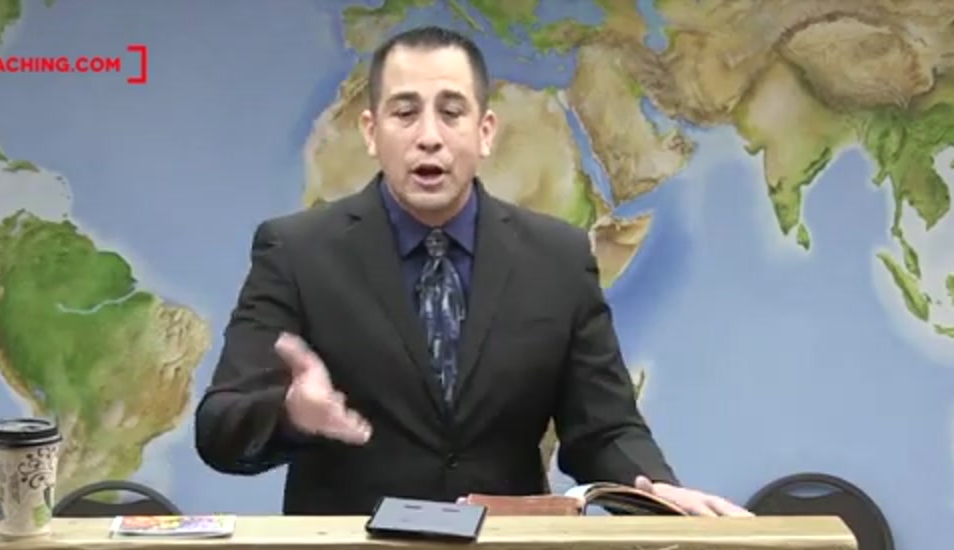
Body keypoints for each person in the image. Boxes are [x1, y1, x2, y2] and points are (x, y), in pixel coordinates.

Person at [194, 25, 750, 518]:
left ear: (485, 132)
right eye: (405, 112)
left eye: (451, 111)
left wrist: (655, 491)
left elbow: (603, 428)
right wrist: (289, 414)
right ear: (370, 131)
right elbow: (218, 428)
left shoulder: (557, 258)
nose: (429, 136)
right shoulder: (297, 252)